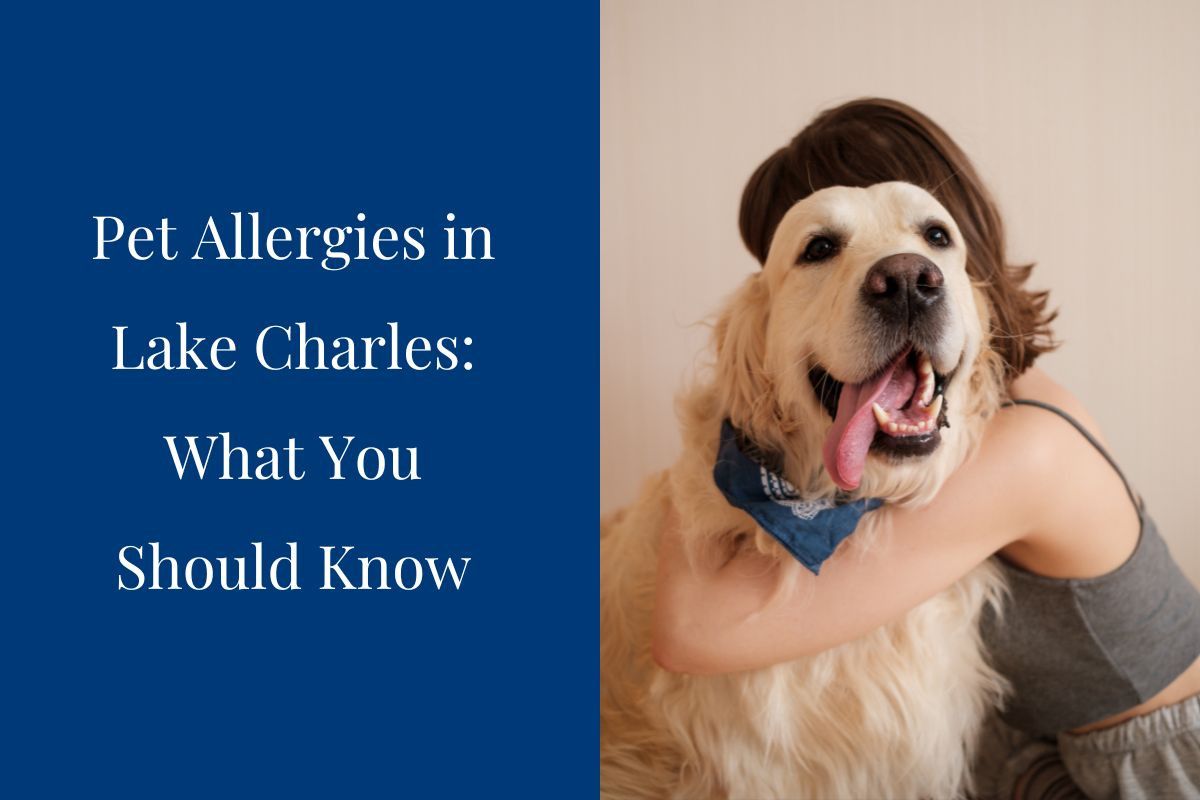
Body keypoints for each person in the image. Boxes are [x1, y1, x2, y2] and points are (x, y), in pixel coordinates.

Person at [651, 99, 1200, 799]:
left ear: (964, 259)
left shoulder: (1022, 449)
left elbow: (692, 629)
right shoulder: (962, 399)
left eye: (925, 237)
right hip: (1033, 749)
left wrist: (712, 416)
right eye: (820, 249)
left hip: (1157, 770)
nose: (889, 274)